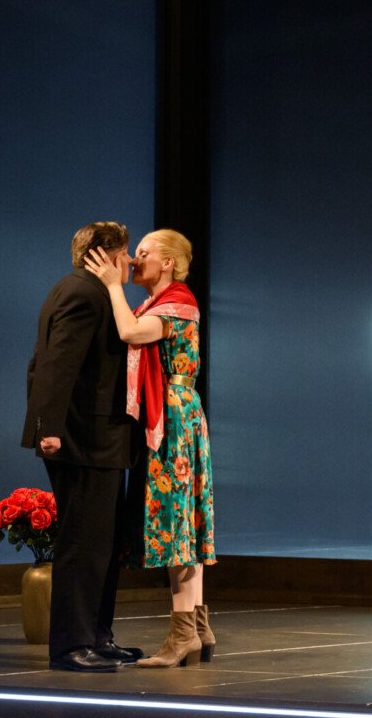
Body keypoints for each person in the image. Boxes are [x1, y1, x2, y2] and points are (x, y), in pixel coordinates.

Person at [85, 229, 216, 668]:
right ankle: (197, 628)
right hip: (178, 416)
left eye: (144, 253)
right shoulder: (163, 303)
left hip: (174, 421)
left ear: (168, 265)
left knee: (175, 526)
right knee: (182, 524)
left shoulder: (177, 302)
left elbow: (128, 331)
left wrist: (110, 284)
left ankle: (182, 635)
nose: (135, 259)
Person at [22, 222, 143, 672]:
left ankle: (97, 636)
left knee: (101, 545)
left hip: (101, 440)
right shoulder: (81, 292)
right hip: (82, 439)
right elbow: (53, 364)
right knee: (82, 543)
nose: (130, 261)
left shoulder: (94, 292)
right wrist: (48, 427)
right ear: (105, 254)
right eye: (126, 252)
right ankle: (71, 645)